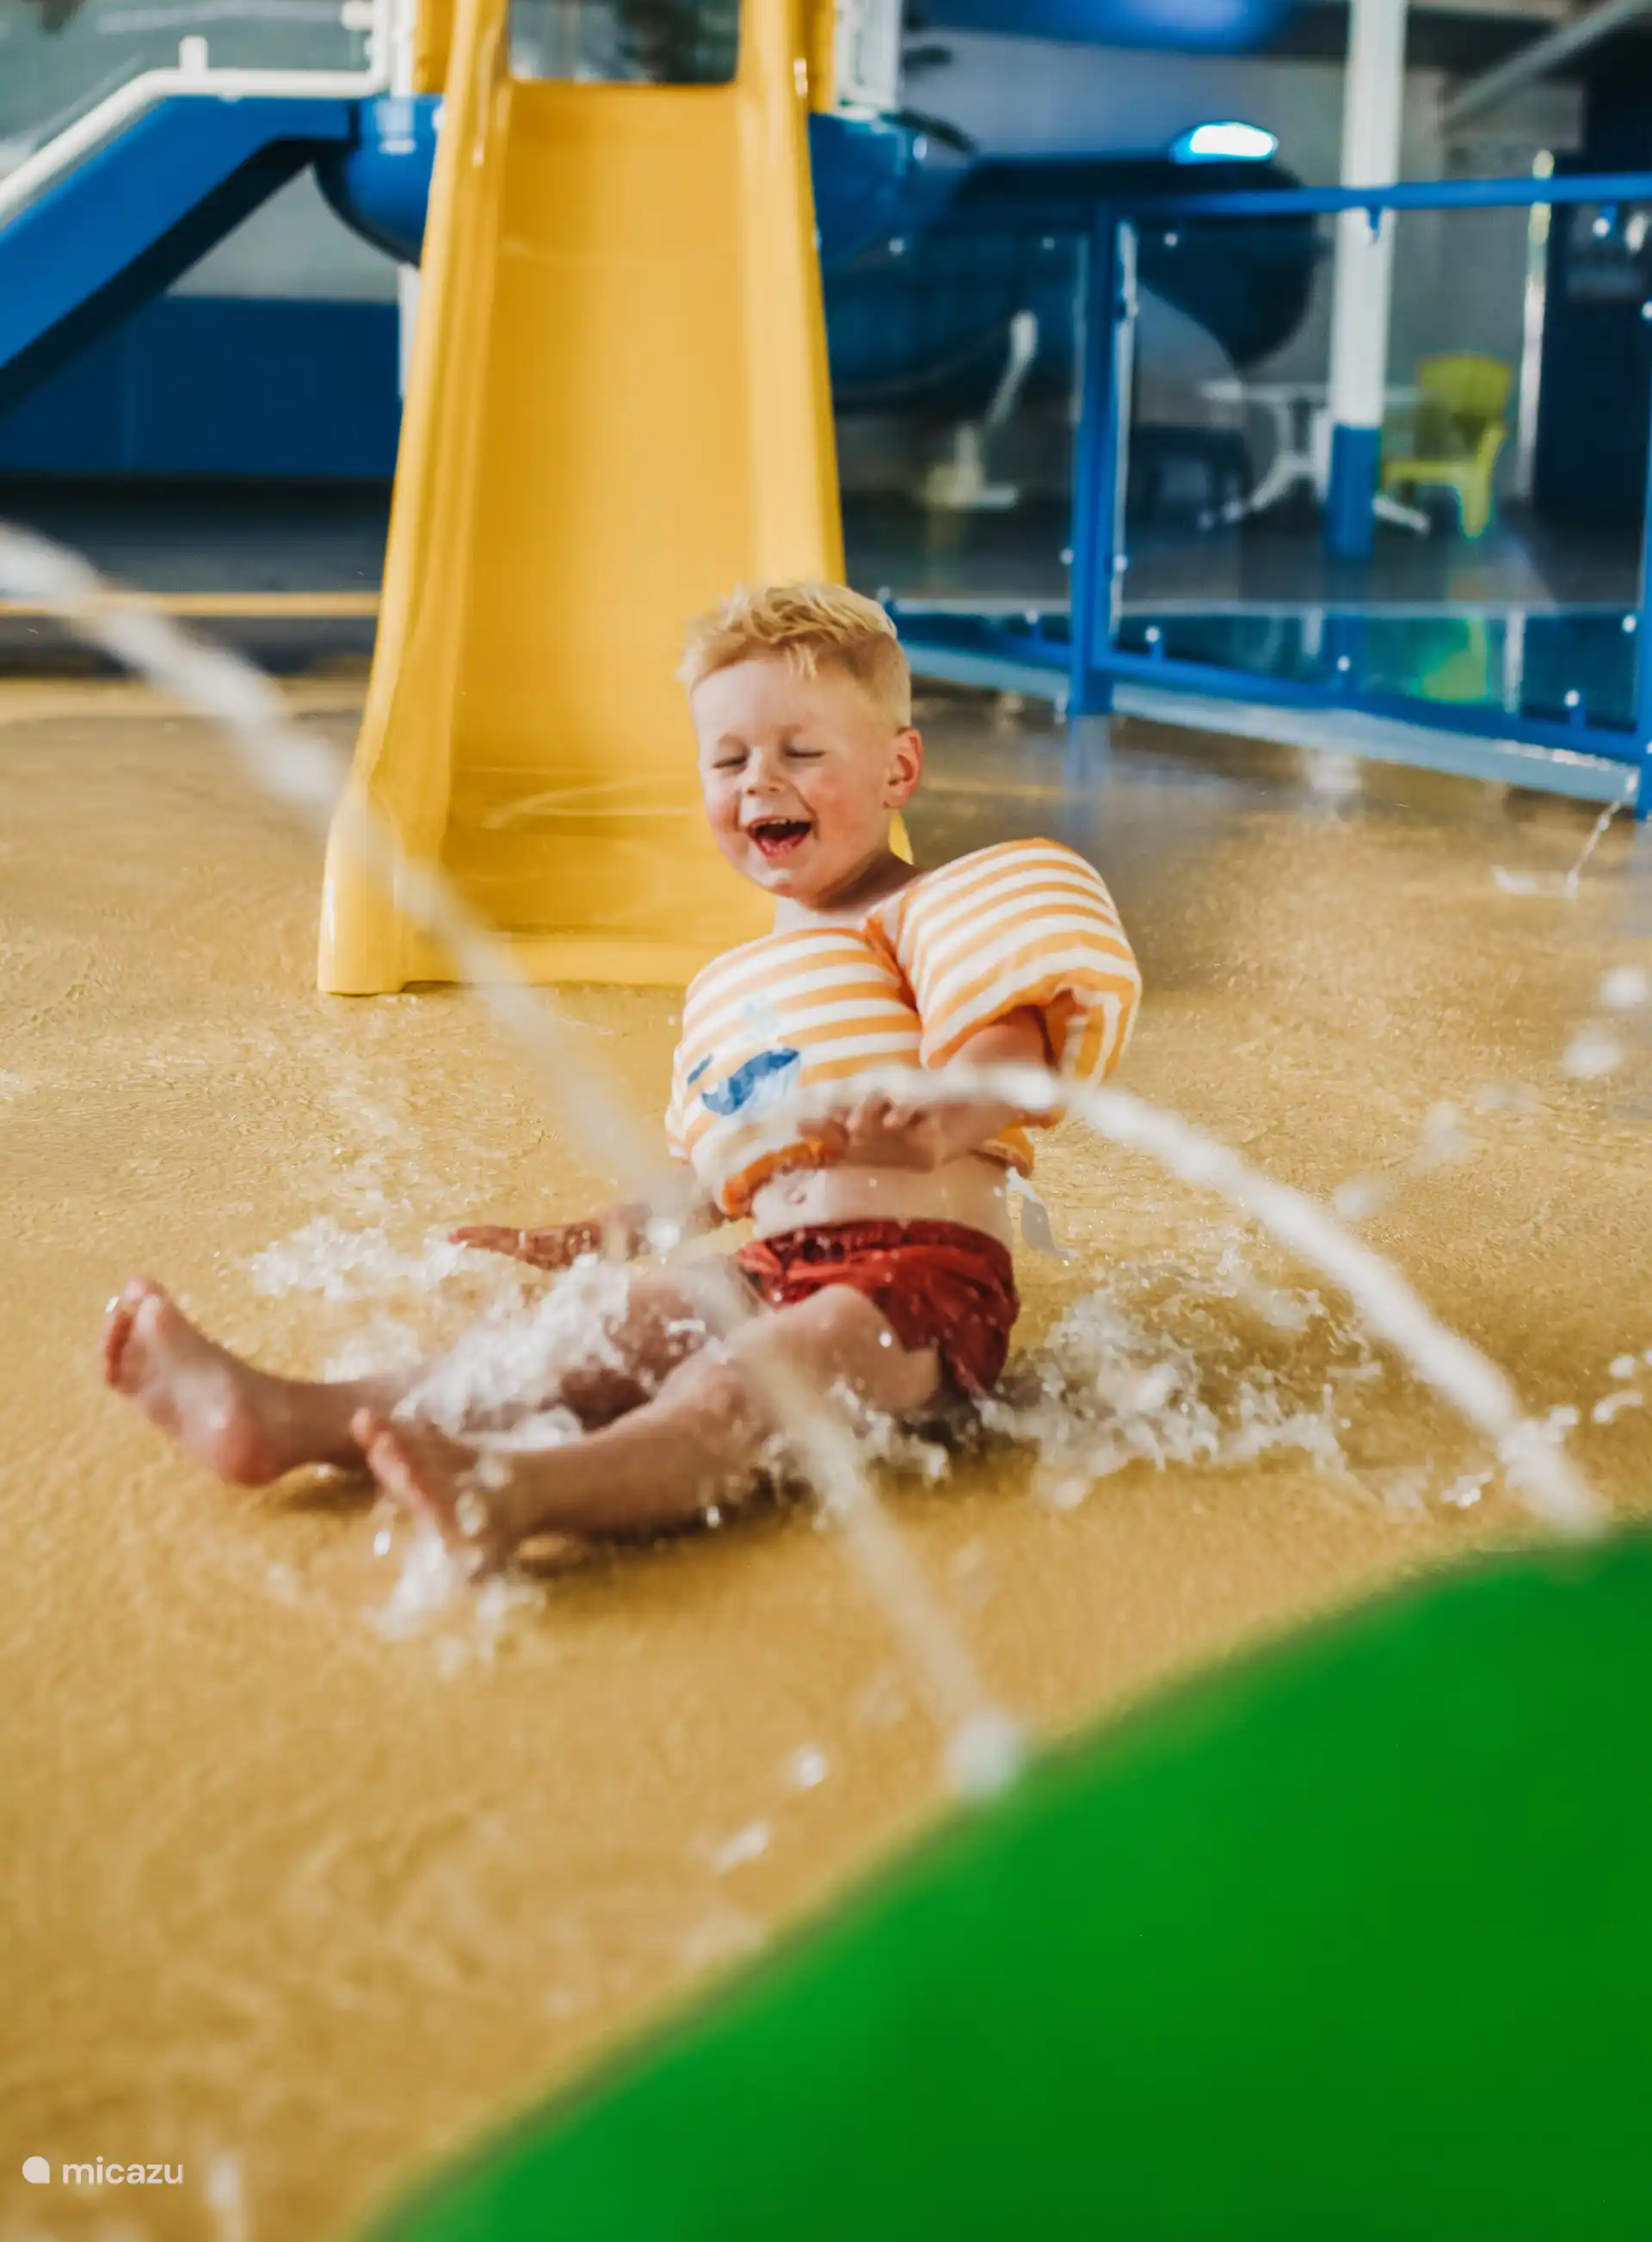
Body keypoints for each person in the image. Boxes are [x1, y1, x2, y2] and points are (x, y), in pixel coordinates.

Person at [104, 584, 1140, 1567]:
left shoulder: (926, 913)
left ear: (897, 771)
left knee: (734, 1386)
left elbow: (1017, 1065)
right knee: (576, 1347)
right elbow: (709, 1181)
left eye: (801, 751)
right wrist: (584, 1240)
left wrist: (934, 1124)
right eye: (727, 760)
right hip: (771, 1267)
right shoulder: (738, 989)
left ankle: (521, 1495)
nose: (759, 783)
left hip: (920, 1284)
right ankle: (285, 1420)